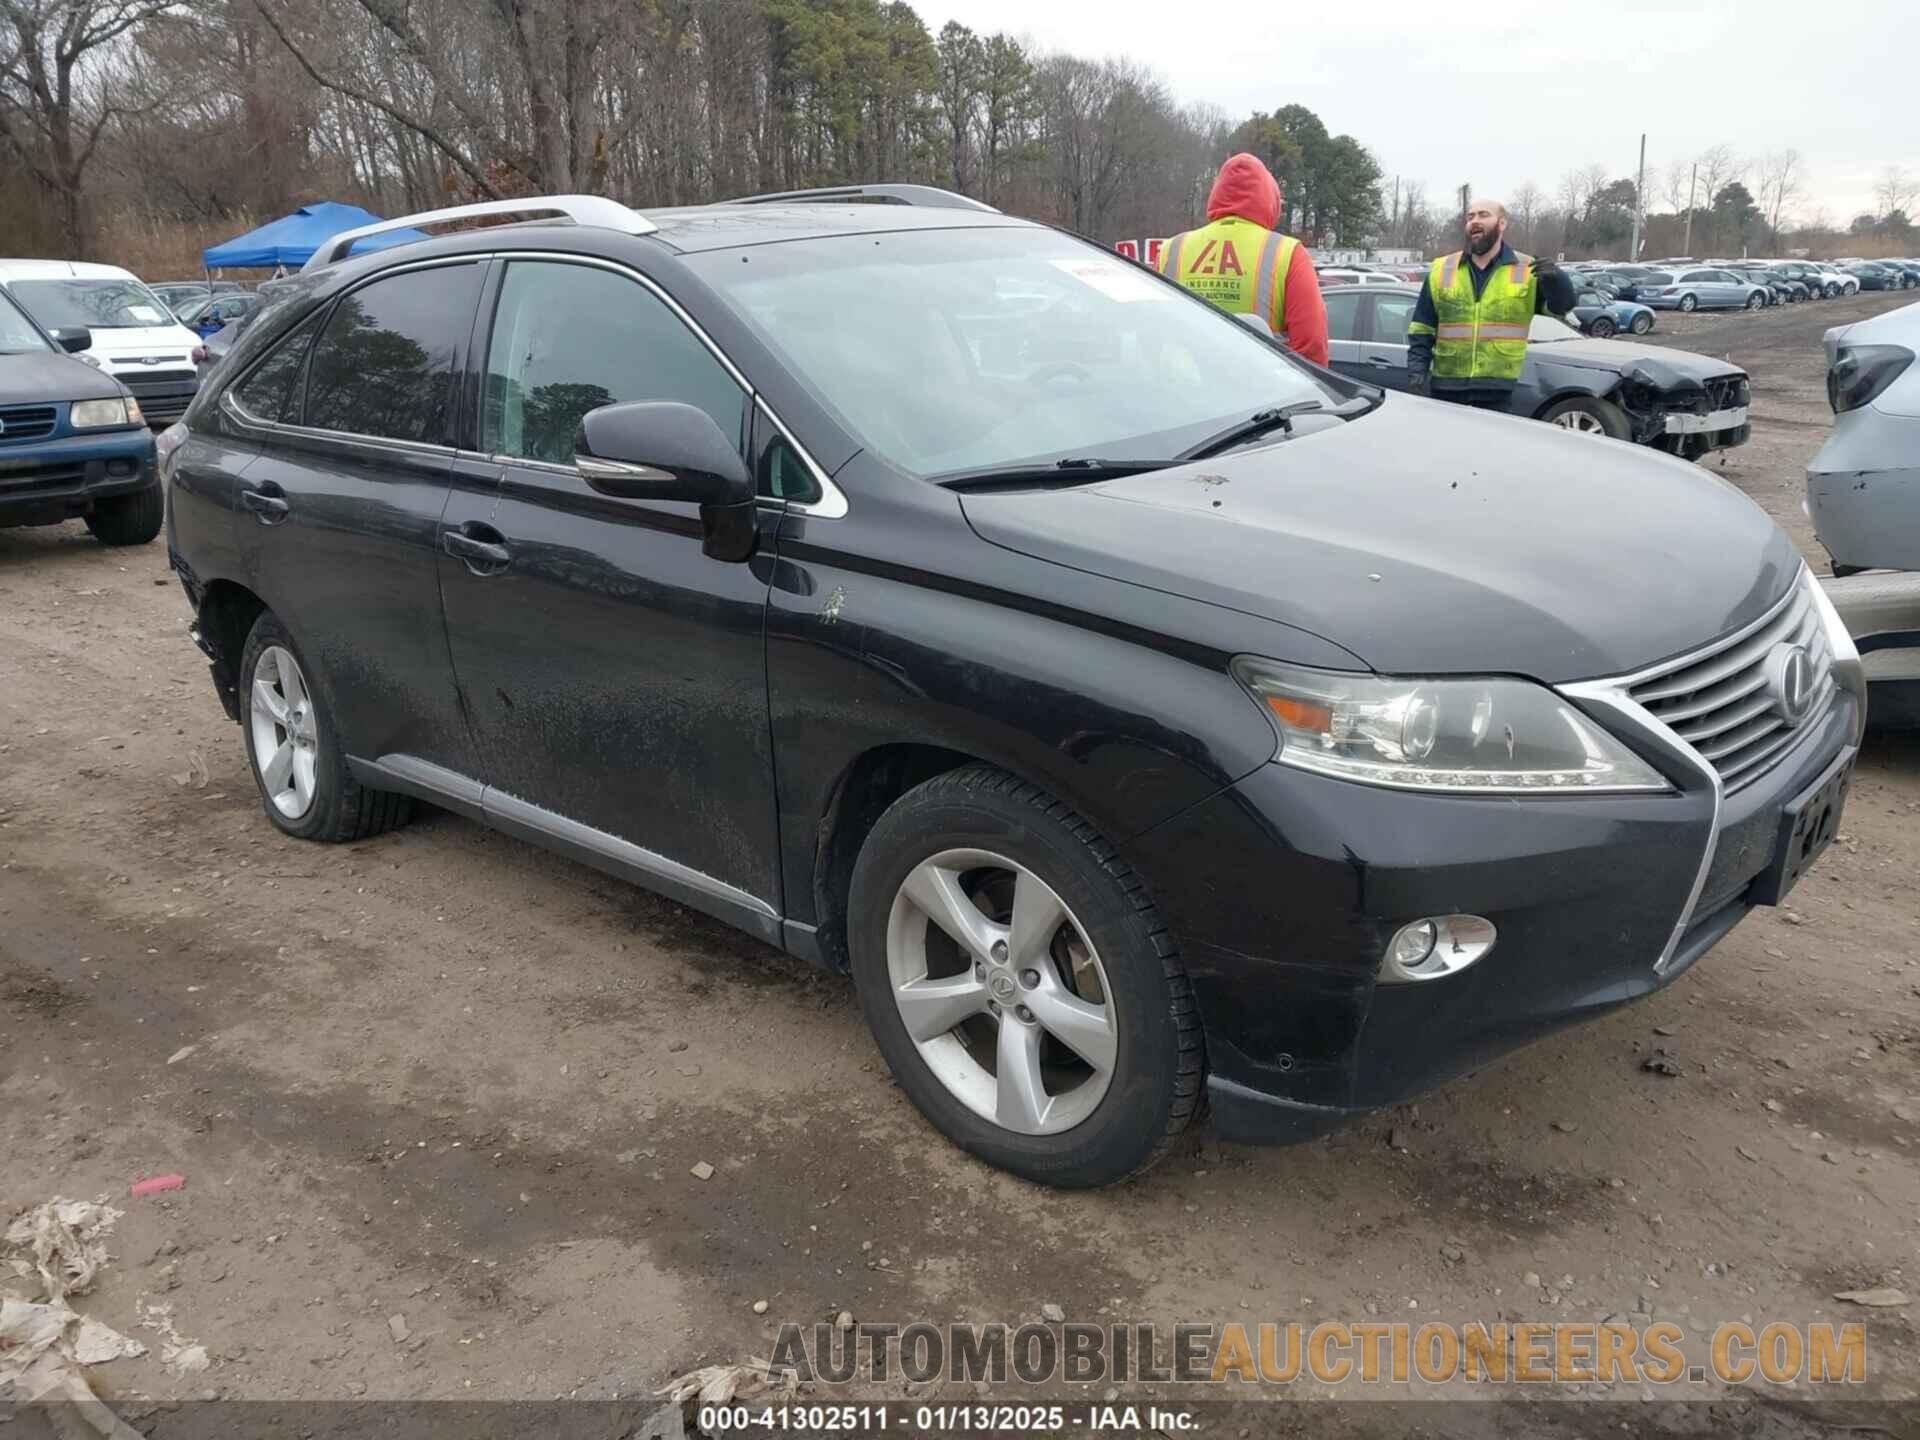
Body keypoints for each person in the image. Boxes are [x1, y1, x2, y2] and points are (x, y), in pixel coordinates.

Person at [1157, 153, 1329, 366]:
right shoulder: (1287, 252)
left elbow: (1152, 330)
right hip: (1261, 392)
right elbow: (1311, 346)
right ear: (1269, 199)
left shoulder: (1171, 249)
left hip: (1180, 389)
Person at [1406, 198, 1576, 408]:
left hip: (1498, 392)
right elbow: (1422, 326)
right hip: (1446, 388)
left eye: (1483, 215)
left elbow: (1562, 308)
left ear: (1502, 223)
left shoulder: (1526, 269)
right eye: (1470, 217)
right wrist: (1416, 372)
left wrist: (1559, 280)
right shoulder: (1443, 268)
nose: (1474, 221)